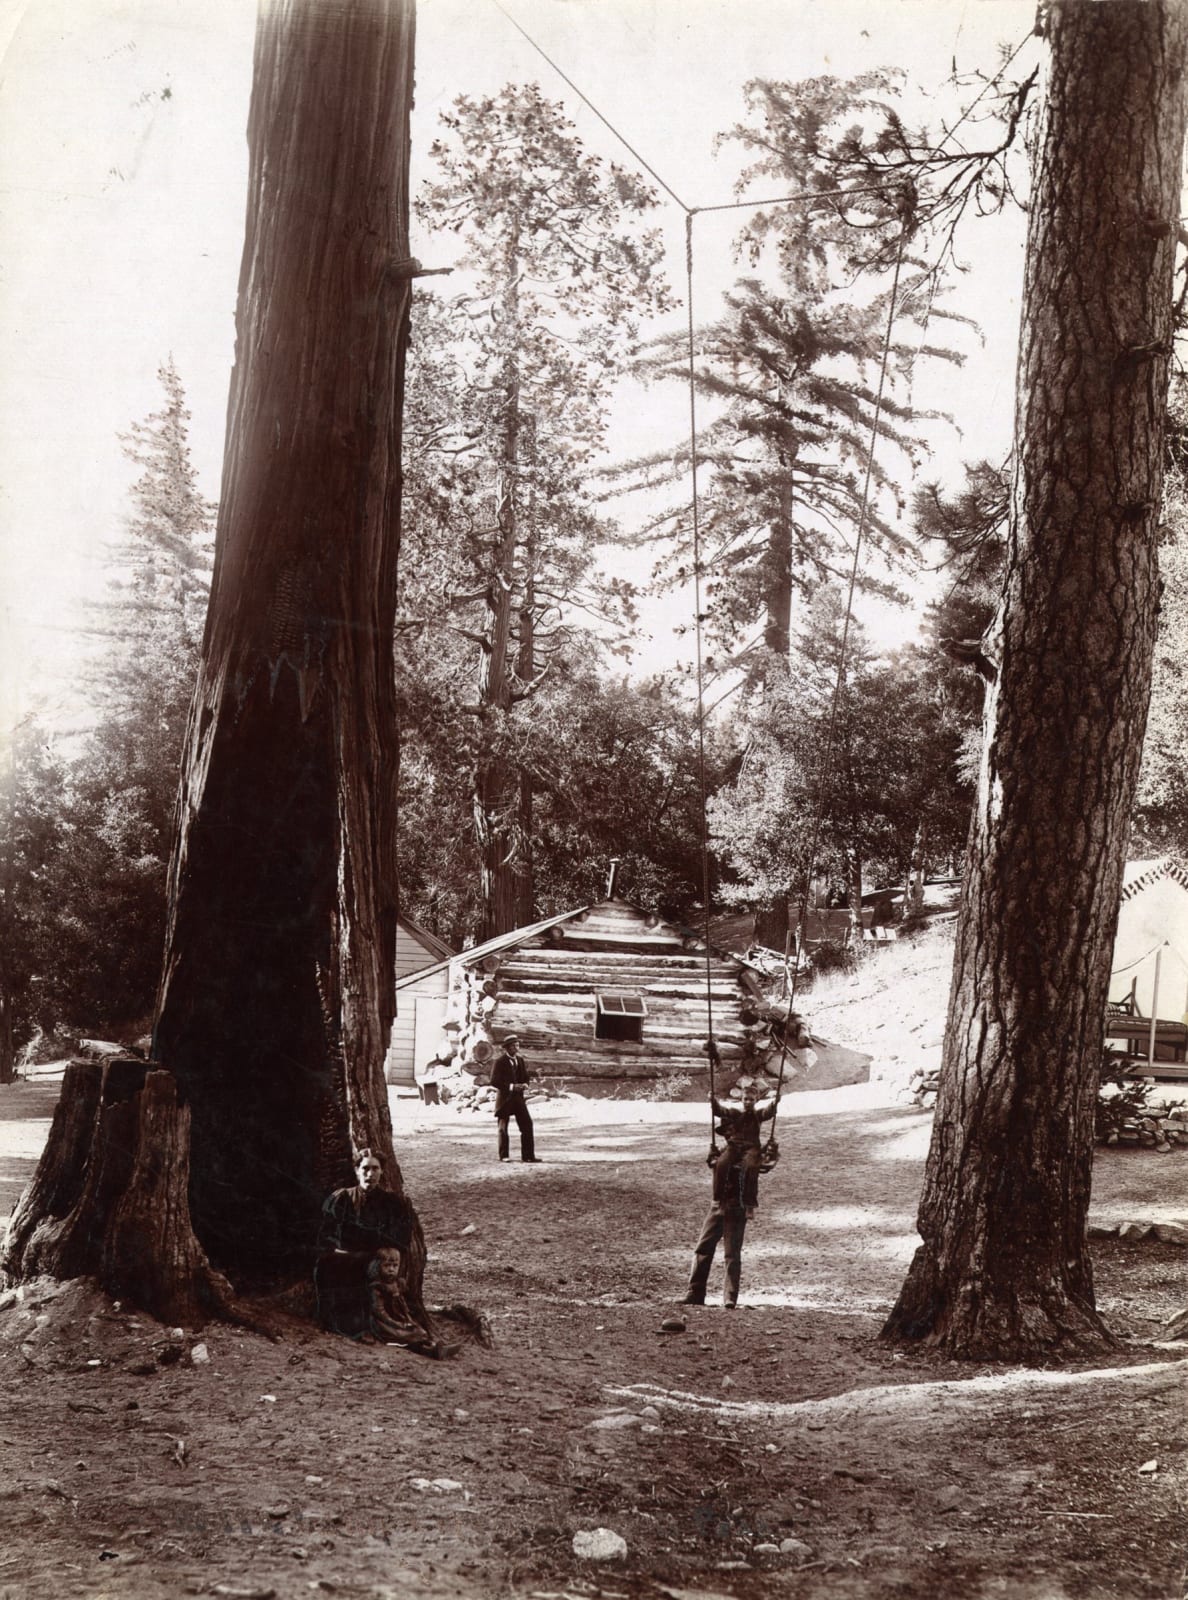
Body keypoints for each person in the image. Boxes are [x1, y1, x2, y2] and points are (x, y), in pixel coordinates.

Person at [315, 1148, 417, 1339]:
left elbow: (398, 1238)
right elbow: (326, 1235)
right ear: (356, 1170)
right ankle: (349, 1328)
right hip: (343, 1258)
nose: (370, 1174)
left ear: (382, 1171)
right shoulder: (342, 1199)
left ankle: (404, 1333)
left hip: (376, 1259)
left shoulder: (392, 1203)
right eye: (365, 1168)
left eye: (375, 1169)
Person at [710, 1083, 776, 1215]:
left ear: (756, 1101)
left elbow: (767, 1112)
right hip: (734, 1146)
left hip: (751, 1147)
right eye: (745, 1099)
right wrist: (713, 1101)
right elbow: (720, 1111)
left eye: (751, 1099)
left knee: (751, 1166)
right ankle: (718, 1200)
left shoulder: (758, 1115)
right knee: (721, 1164)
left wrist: (774, 1103)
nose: (748, 1102)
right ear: (741, 1099)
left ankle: (749, 1204)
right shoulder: (734, 1113)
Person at [490, 1033, 540, 1162]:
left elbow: (525, 1076)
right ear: (506, 1048)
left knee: (527, 1125)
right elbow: (494, 1081)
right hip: (505, 1100)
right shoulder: (499, 1062)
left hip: (518, 1099)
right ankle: (504, 1156)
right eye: (513, 1046)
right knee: (503, 1128)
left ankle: (528, 1156)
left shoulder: (520, 1060)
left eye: (517, 1045)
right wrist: (512, 1087)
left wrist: (525, 1084)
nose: (516, 1048)